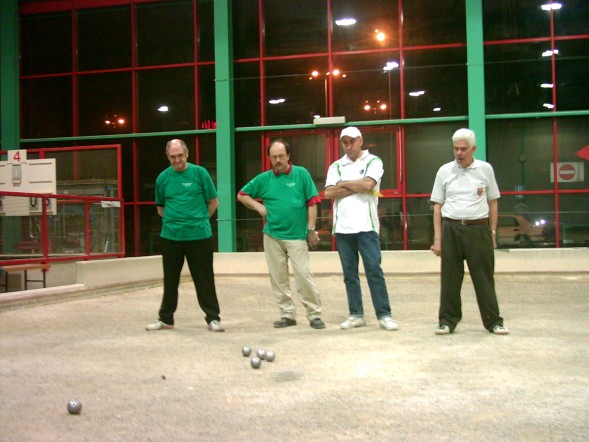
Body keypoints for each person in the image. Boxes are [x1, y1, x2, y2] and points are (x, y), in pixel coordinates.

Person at [237, 139, 325, 329]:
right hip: (272, 236)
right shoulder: (264, 179)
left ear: (288, 156)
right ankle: (287, 314)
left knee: (303, 275)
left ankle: (314, 315)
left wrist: (311, 230)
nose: (277, 160)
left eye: (281, 156)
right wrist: (258, 207)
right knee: (278, 278)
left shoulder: (301, 174)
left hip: (297, 236)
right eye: (274, 157)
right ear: (269, 158)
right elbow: (242, 195)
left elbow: (312, 203)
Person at [430, 128, 509, 335]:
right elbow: (437, 206)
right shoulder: (444, 171)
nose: (459, 153)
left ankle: (494, 322)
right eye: (456, 148)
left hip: (478, 230)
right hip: (451, 229)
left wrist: (492, 232)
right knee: (450, 280)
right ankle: (447, 321)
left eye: (463, 149)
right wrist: (438, 239)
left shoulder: (485, 169)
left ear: (473, 149)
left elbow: (493, 203)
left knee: (484, 279)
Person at [145, 139, 224, 332]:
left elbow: (213, 203)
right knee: (170, 280)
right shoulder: (163, 178)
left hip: (199, 236)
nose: (177, 160)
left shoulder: (200, 173)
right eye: (172, 157)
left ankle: (213, 318)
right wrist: (176, 222)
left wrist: (199, 220)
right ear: (168, 157)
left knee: (204, 280)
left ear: (187, 154)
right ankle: (166, 319)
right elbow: (161, 208)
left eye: (180, 156)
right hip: (171, 237)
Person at [324, 127, 398, 331]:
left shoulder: (373, 161)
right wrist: (356, 186)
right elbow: (329, 193)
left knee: (374, 270)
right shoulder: (336, 166)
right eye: (345, 142)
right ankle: (356, 314)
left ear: (360, 141)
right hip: (343, 229)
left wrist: (343, 184)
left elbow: (368, 185)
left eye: (352, 141)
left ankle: (384, 315)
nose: (349, 146)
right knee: (350, 274)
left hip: (367, 227)